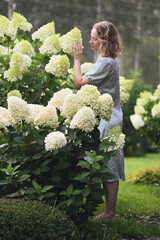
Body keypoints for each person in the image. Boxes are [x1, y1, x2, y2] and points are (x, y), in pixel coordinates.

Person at [73, 21, 125, 222]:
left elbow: (79, 84)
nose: (90, 41)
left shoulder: (106, 63)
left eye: (94, 38)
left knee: (107, 166)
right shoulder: (108, 61)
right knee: (106, 164)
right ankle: (107, 212)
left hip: (108, 119)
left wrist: (76, 60)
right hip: (110, 116)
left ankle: (109, 214)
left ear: (104, 40)